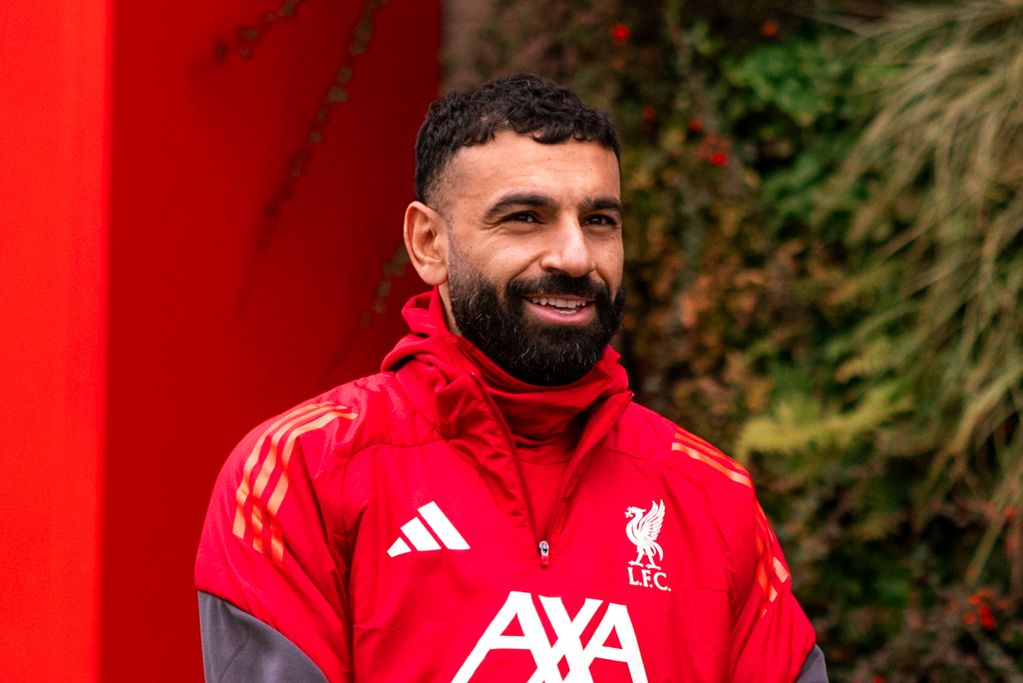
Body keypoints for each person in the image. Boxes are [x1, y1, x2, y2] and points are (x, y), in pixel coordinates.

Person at [195, 73, 828, 682]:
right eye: (525, 217)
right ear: (429, 243)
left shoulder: (714, 499)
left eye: (600, 221)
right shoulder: (306, 471)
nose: (575, 257)